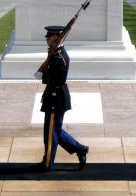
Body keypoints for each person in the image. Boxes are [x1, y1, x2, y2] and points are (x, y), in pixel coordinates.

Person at [33, 25, 89, 172]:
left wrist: (42, 72)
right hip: (55, 96)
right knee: (54, 130)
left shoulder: (58, 57)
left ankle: (48, 164)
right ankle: (80, 149)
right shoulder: (56, 53)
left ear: (57, 38)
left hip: (55, 98)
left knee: (51, 133)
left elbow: (50, 79)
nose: (46, 39)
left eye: (49, 37)